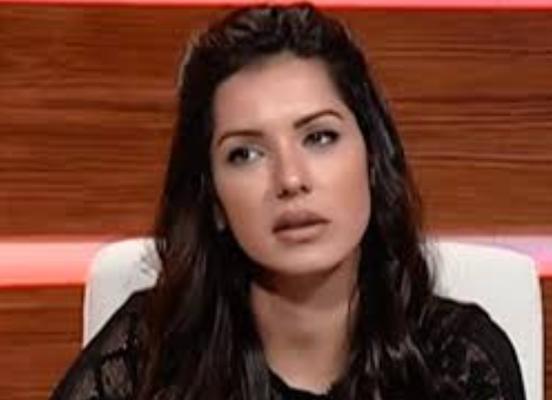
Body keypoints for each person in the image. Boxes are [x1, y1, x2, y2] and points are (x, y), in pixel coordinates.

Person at [50, 3, 525, 399]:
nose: (291, 179)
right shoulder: (149, 359)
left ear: (373, 161)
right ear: (214, 201)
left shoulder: (458, 364)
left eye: (319, 137)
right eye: (245, 154)